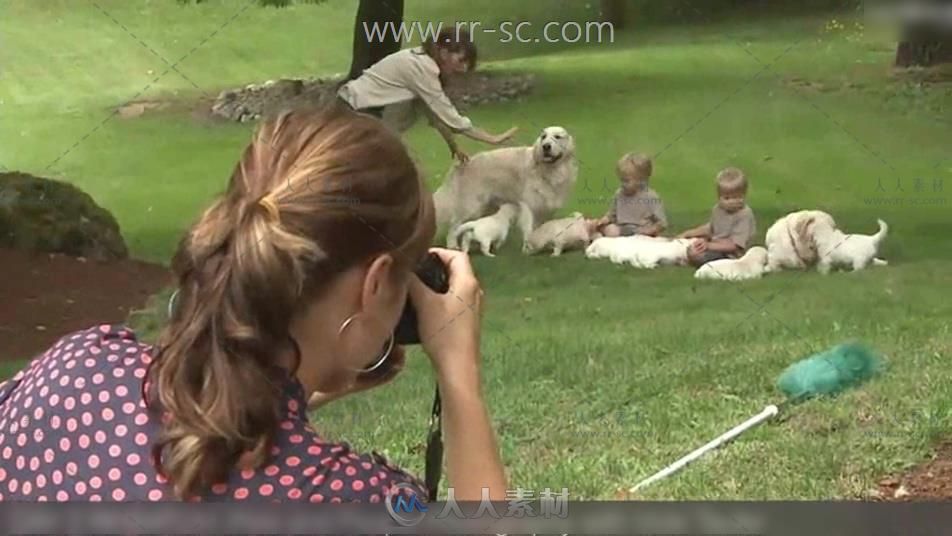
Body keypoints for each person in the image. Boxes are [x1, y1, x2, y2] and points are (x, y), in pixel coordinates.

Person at [0, 106, 506, 503]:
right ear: (374, 285)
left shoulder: (75, 370)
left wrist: (290, 393)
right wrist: (460, 377)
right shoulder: (353, 501)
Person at [336, 28, 518, 164]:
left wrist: (453, 147)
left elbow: (435, 114)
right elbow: (449, 116)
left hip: (359, 116)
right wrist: (492, 139)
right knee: (398, 170)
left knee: (402, 169)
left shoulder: (424, 66)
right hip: (353, 115)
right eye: (461, 60)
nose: (463, 68)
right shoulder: (422, 69)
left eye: (467, 64)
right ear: (444, 53)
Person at [677, 167, 757, 266]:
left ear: (744, 195)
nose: (732, 202)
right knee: (691, 249)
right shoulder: (718, 209)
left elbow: (735, 245)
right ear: (719, 197)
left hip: (732, 253)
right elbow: (711, 228)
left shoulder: (744, 215)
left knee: (699, 255)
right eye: (727, 198)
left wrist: (708, 246)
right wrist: (689, 233)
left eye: (737, 197)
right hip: (716, 244)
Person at [595, 153, 668, 237]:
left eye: (626, 181)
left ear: (641, 180)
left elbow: (662, 223)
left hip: (641, 231)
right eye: (621, 180)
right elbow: (612, 214)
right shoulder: (619, 194)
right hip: (622, 229)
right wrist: (603, 220)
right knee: (610, 230)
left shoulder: (651, 197)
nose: (623, 184)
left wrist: (649, 230)